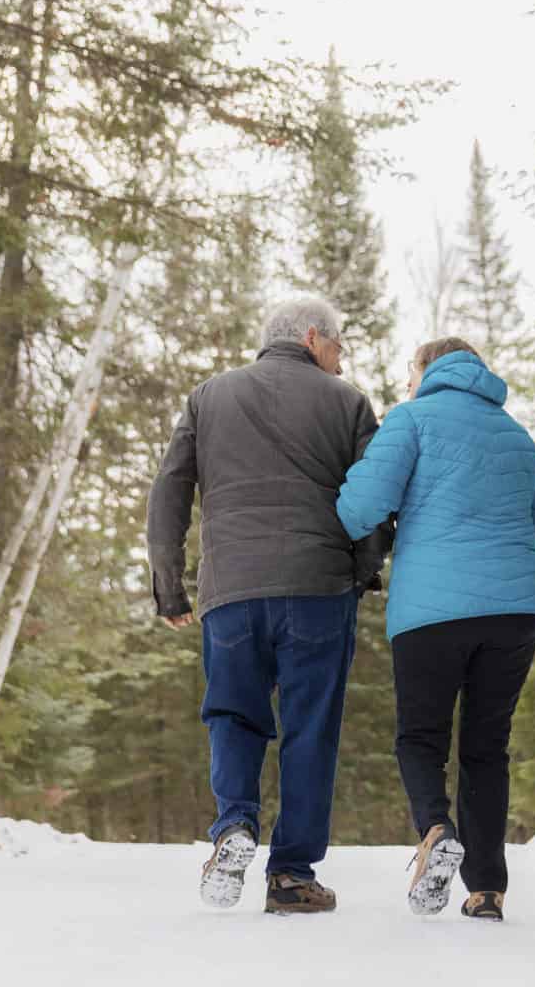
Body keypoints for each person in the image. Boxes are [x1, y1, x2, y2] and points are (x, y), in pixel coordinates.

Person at [146, 299, 389, 915]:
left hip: (231, 589)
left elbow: (170, 489)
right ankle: (291, 876)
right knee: (311, 730)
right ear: (312, 338)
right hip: (318, 588)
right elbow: (375, 496)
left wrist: (169, 584)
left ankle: (233, 826)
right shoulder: (348, 402)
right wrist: (362, 573)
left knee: (232, 714)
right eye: (337, 346)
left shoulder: (209, 397)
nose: (339, 359)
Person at [336, 337, 535, 922]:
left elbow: (359, 507)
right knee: (487, 747)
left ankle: (435, 830)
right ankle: (486, 889)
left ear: (425, 370)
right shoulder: (515, 434)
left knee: (421, 738)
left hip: (431, 613)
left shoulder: (411, 420)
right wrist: (531, 595)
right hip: (515, 613)